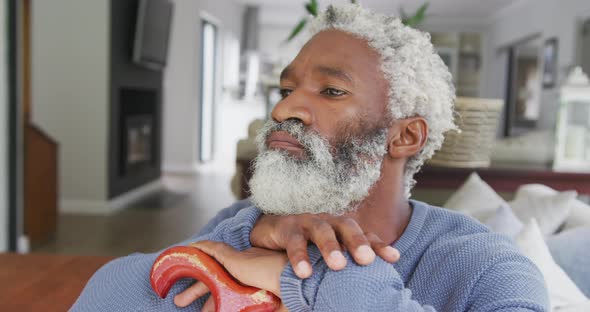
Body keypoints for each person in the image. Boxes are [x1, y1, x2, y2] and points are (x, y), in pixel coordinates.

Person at [73, 4, 548, 311]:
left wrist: (308, 274)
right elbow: (104, 298)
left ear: (405, 136)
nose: (282, 109)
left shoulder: (485, 267)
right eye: (285, 89)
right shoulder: (243, 227)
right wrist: (243, 240)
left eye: (331, 90)